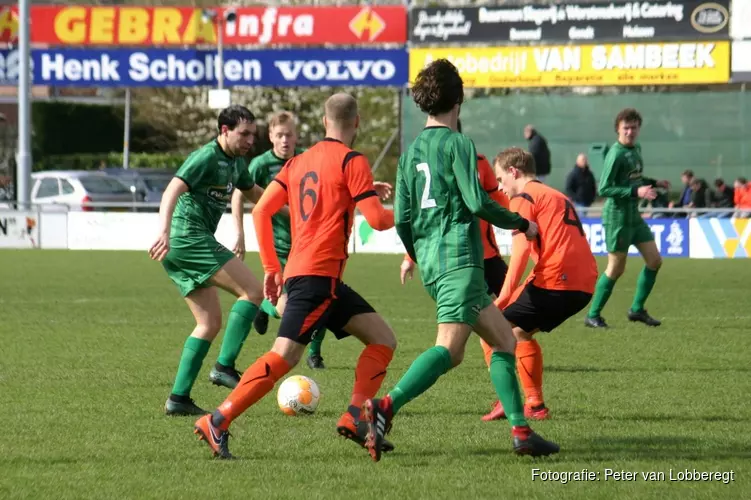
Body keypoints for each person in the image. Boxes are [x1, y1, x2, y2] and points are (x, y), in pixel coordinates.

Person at [362, 59, 559, 462]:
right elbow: (476, 201)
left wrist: (418, 255)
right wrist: (521, 222)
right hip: (461, 261)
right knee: (449, 349)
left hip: (435, 267)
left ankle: (521, 432)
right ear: (460, 99)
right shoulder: (458, 144)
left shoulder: (409, 153)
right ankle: (385, 406)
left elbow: (401, 219)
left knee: (502, 340)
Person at [193, 93, 398, 459]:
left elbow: (262, 212)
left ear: (323, 122)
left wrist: (272, 268)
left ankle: (355, 417)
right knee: (284, 356)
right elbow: (380, 220)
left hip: (318, 278)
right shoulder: (353, 160)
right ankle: (218, 419)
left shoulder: (300, 161)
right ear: (358, 122)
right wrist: (412, 212)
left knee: (382, 339)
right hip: (317, 278)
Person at [149, 105, 267, 415]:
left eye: (252, 135)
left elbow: (256, 194)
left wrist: (297, 210)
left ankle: (178, 399)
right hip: (187, 239)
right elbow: (172, 189)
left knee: (209, 323)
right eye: (243, 134)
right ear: (224, 131)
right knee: (253, 291)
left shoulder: (236, 163)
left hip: (186, 244)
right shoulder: (205, 157)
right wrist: (164, 231)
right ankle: (225, 367)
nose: (249, 141)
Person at [480, 147, 598, 422]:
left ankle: (506, 399)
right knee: (519, 333)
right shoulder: (556, 194)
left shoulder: (524, 197)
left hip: (556, 279)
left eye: (500, 179)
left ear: (514, 172)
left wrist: (503, 298)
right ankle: (534, 404)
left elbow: (520, 252)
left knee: (489, 327)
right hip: (584, 283)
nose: (500, 187)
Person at [235, 111, 330, 371]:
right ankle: (268, 306)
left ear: (296, 135)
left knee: (322, 299)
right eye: (279, 135)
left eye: (289, 134)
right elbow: (239, 195)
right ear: (271, 137)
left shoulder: (307, 159)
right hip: (278, 246)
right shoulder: (260, 165)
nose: (285, 140)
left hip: (309, 245)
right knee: (296, 305)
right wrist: (239, 233)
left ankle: (315, 354)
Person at [400, 119, 510, 298]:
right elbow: (424, 217)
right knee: (472, 312)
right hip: (454, 255)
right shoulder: (428, 168)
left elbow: (498, 199)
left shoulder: (478, 161)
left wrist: (522, 215)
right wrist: (409, 257)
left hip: (486, 253)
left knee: (511, 303)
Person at [585, 108, 670, 328]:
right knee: (615, 268)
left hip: (634, 216)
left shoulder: (636, 149)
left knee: (654, 261)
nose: (630, 132)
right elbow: (604, 188)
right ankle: (593, 315)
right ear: (618, 130)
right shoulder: (616, 154)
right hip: (617, 218)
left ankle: (637, 310)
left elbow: (635, 178)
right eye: (626, 128)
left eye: (634, 127)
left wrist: (653, 182)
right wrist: (636, 192)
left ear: (639, 128)